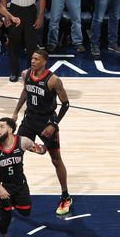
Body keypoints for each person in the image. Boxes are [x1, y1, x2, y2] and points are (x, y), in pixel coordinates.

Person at [11, 49, 73, 215]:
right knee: (15, 154)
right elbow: (25, 91)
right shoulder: (26, 74)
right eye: (32, 58)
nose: (33, 61)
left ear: (44, 61)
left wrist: (53, 124)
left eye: (36, 59)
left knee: (56, 159)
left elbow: (66, 104)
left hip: (47, 122)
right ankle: (11, 193)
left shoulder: (53, 80)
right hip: (29, 120)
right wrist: (16, 111)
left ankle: (66, 196)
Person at [0, 117, 46, 237]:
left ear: (10, 130)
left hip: (20, 184)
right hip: (3, 187)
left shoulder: (23, 141)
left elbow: (39, 150)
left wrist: (42, 149)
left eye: (1, 127)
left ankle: (11, 204)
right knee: (6, 215)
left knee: (26, 212)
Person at [1, 0, 46, 82]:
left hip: (30, 12)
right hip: (15, 11)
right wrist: (6, 16)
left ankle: (29, 73)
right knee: (13, 44)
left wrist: (39, 17)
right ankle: (14, 72)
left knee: (31, 46)